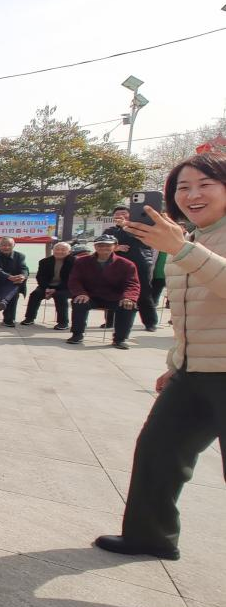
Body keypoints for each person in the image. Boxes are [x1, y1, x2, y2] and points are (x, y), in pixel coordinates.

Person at [94, 145, 226, 561]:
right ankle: (150, 535)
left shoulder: (186, 245)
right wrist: (177, 364)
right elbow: (191, 314)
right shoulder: (190, 239)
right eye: (182, 187)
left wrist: (182, 249)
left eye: (205, 184)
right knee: (159, 452)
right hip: (195, 372)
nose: (192, 194)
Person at [66, 234, 140, 349]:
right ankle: (77, 334)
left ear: (115, 246)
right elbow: (74, 280)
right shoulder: (81, 262)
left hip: (114, 297)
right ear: (95, 247)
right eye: (100, 245)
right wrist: (80, 293)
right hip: (90, 296)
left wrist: (129, 297)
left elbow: (132, 284)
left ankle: (120, 339)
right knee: (78, 302)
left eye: (107, 246)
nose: (103, 248)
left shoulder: (127, 264)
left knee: (129, 306)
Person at [104, 206, 160, 332]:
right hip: (116, 265)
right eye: (117, 214)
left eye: (123, 213)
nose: (120, 215)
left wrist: (125, 226)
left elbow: (146, 241)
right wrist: (115, 248)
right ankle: (109, 321)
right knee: (113, 291)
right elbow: (101, 245)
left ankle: (150, 323)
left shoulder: (139, 228)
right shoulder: (110, 231)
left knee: (143, 293)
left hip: (139, 263)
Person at [22, 241, 75, 329]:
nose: (59, 252)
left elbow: (71, 280)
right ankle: (29, 318)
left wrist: (56, 289)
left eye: (63, 250)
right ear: (53, 250)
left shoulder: (74, 262)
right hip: (47, 286)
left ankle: (63, 322)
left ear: (69, 252)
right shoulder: (44, 262)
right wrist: (46, 288)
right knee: (35, 294)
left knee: (60, 296)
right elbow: (40, 277)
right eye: (57, 249)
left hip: (66, 287)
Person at [0, 237, 29, 327]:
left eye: (9, 245)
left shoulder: (20, 256)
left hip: (14, 282)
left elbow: (24, 269)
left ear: (14, 245)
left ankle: (7, 315)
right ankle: (8, 317)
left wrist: (22, 276)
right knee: (13, 289)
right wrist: (9, 277)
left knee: (15, 288)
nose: (6, 247)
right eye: (4, 245)